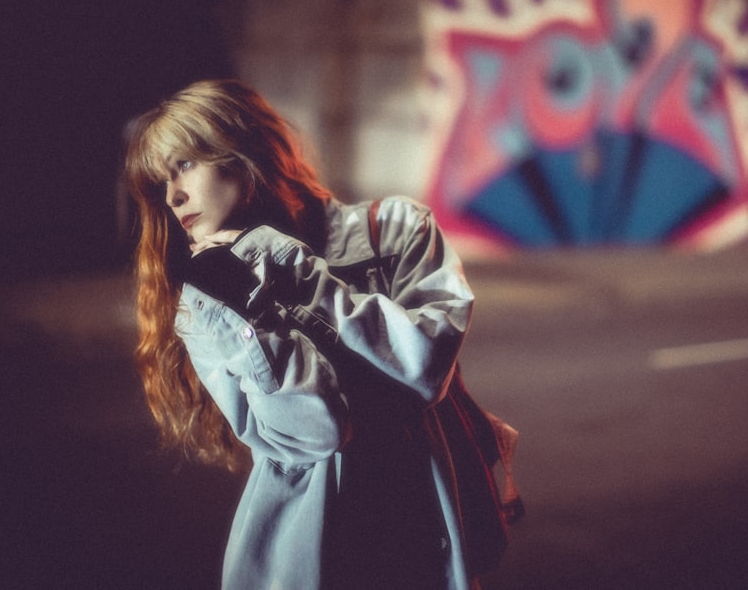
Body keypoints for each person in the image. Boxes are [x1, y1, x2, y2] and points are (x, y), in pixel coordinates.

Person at [124, 79, 488, 589]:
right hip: (305, 553)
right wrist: (252, 314)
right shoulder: (203, 303)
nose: (173, 196)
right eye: (161, 184)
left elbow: (425, 368)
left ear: (242, 151)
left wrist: (294, 269)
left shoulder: (400, 230)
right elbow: (313, 434)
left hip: (418, 537)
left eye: (183, 165)